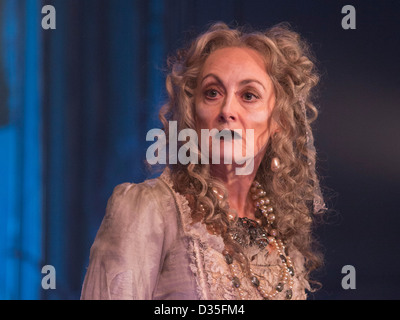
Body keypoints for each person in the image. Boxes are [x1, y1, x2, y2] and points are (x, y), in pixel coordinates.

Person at [81, 22, 326, 300]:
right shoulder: (151, 210)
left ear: (278, 120)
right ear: (193, 115)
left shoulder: (280, 230)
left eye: (249, 95)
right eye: (212, 93)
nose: (227, 111)